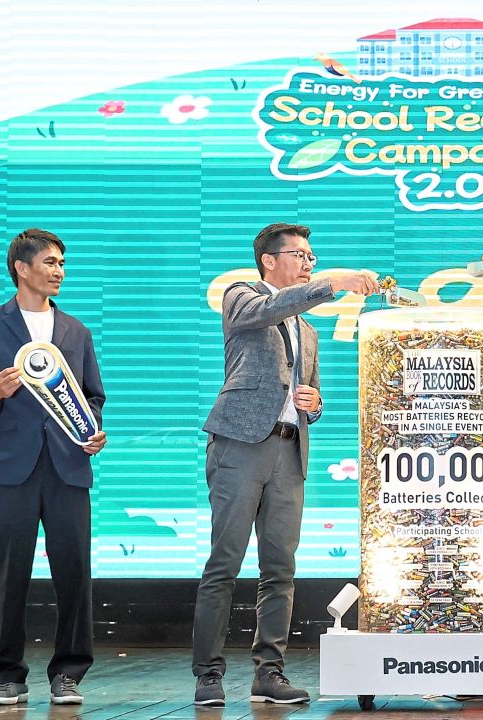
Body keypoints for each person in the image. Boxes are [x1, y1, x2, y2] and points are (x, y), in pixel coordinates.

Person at [191, 223, 380, 706]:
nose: (308, 263)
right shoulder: (241, 296)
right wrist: (334, 283)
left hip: (289, 449)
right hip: (240, 444)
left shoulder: (308, 330)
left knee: (280, 569)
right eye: (299, 255)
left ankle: (269, 672)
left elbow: (310, 393)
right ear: (269, 260)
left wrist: (315, 404)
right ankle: (208, 675)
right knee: (224, 563)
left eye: (312, 257)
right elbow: (272, 308)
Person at [0, 229, 108, 706]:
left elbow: (93, 397)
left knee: (74, 573)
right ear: (21, 268)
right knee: (10, 576)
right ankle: (8, 677)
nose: (59, 271)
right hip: (10, 470)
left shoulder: (76, 332)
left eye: (62, 263)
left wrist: (93, 430)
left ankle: (69, 674)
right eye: (50, 262)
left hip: (68, 469)